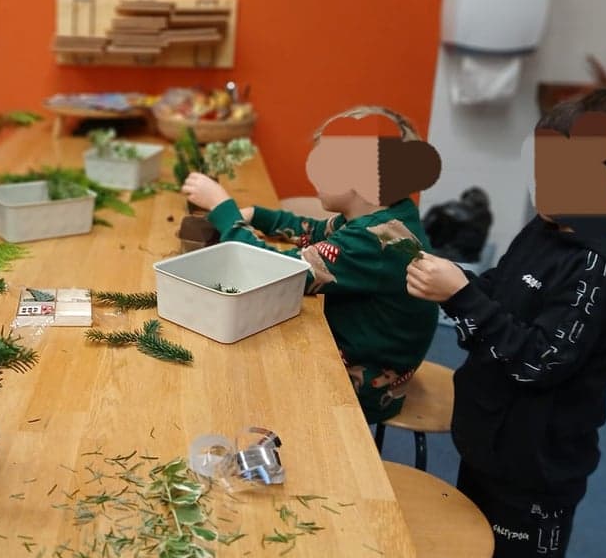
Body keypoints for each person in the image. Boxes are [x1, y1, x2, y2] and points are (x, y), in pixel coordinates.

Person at [406, 89, 606, 558]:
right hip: (488, 441)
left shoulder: (597, 266)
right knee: (476, 555)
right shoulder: (547, 225)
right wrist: (460, 283)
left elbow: (538, 361)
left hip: (535, 474)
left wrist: (459, 296)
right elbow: (500, 287)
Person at [182, 106, 441, 423]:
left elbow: (274, 274)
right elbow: (315, 231)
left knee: (238, 368)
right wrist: (257, 215)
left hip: (361, 388)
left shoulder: (373, 240)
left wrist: (223, 209)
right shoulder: (386, 216)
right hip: (369, 351)